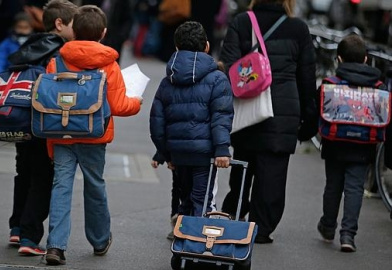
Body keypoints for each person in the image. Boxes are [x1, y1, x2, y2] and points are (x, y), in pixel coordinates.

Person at [43, 5, 142, 266]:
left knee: (61, 186)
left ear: (74, 30)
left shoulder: (57, 60)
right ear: (104, 32)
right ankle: (99, 240)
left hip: (62, 131)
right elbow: (119, 106)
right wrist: (137, 101)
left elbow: (48, 98)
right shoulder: (109, 65)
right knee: (95, 184)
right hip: (94, 134)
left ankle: (55, 246)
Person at [219, 0, 317, 244]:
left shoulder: (242, 22)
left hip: (247, 107)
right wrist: (309, 118)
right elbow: (307, 76)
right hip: (283, 110)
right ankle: (261, 228)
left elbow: (229, 66)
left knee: (243, 163)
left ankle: (234, 210)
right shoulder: (298, 29)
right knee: (273, 171)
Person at [3, 0, 78, 256]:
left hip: (21, 119)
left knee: (23, 172)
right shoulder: (60, 52)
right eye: (72, 24)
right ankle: (30, 236)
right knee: (43, 178)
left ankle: (16, 227)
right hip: (45, 124)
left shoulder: (30, 45)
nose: (76, 29)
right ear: (59, 24)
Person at [150, 21, 233, 219]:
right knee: (202, 200)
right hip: (204, 155)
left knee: (184, 198)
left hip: (178, 154)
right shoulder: (218, 79)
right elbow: (221, 117)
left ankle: (182, 239)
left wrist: (164, 152)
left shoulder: (167, 81)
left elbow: (157, 122)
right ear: (206, 46)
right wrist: (222, 148)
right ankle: (196, 242)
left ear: (177, 47)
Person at [316, 35, 386, 253]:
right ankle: (348, 235)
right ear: (366, 59)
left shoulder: (330, 85)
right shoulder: (379, 87)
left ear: (338, 59)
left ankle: (328, 227)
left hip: (334, 142)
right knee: (355, 188)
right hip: (364, 144)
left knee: (333, 186)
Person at [82, 0, 134, 64]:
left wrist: (122, 36)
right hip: (93, 34)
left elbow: (128, 19)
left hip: (114, 38)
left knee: (111, 63)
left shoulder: (122, 2)